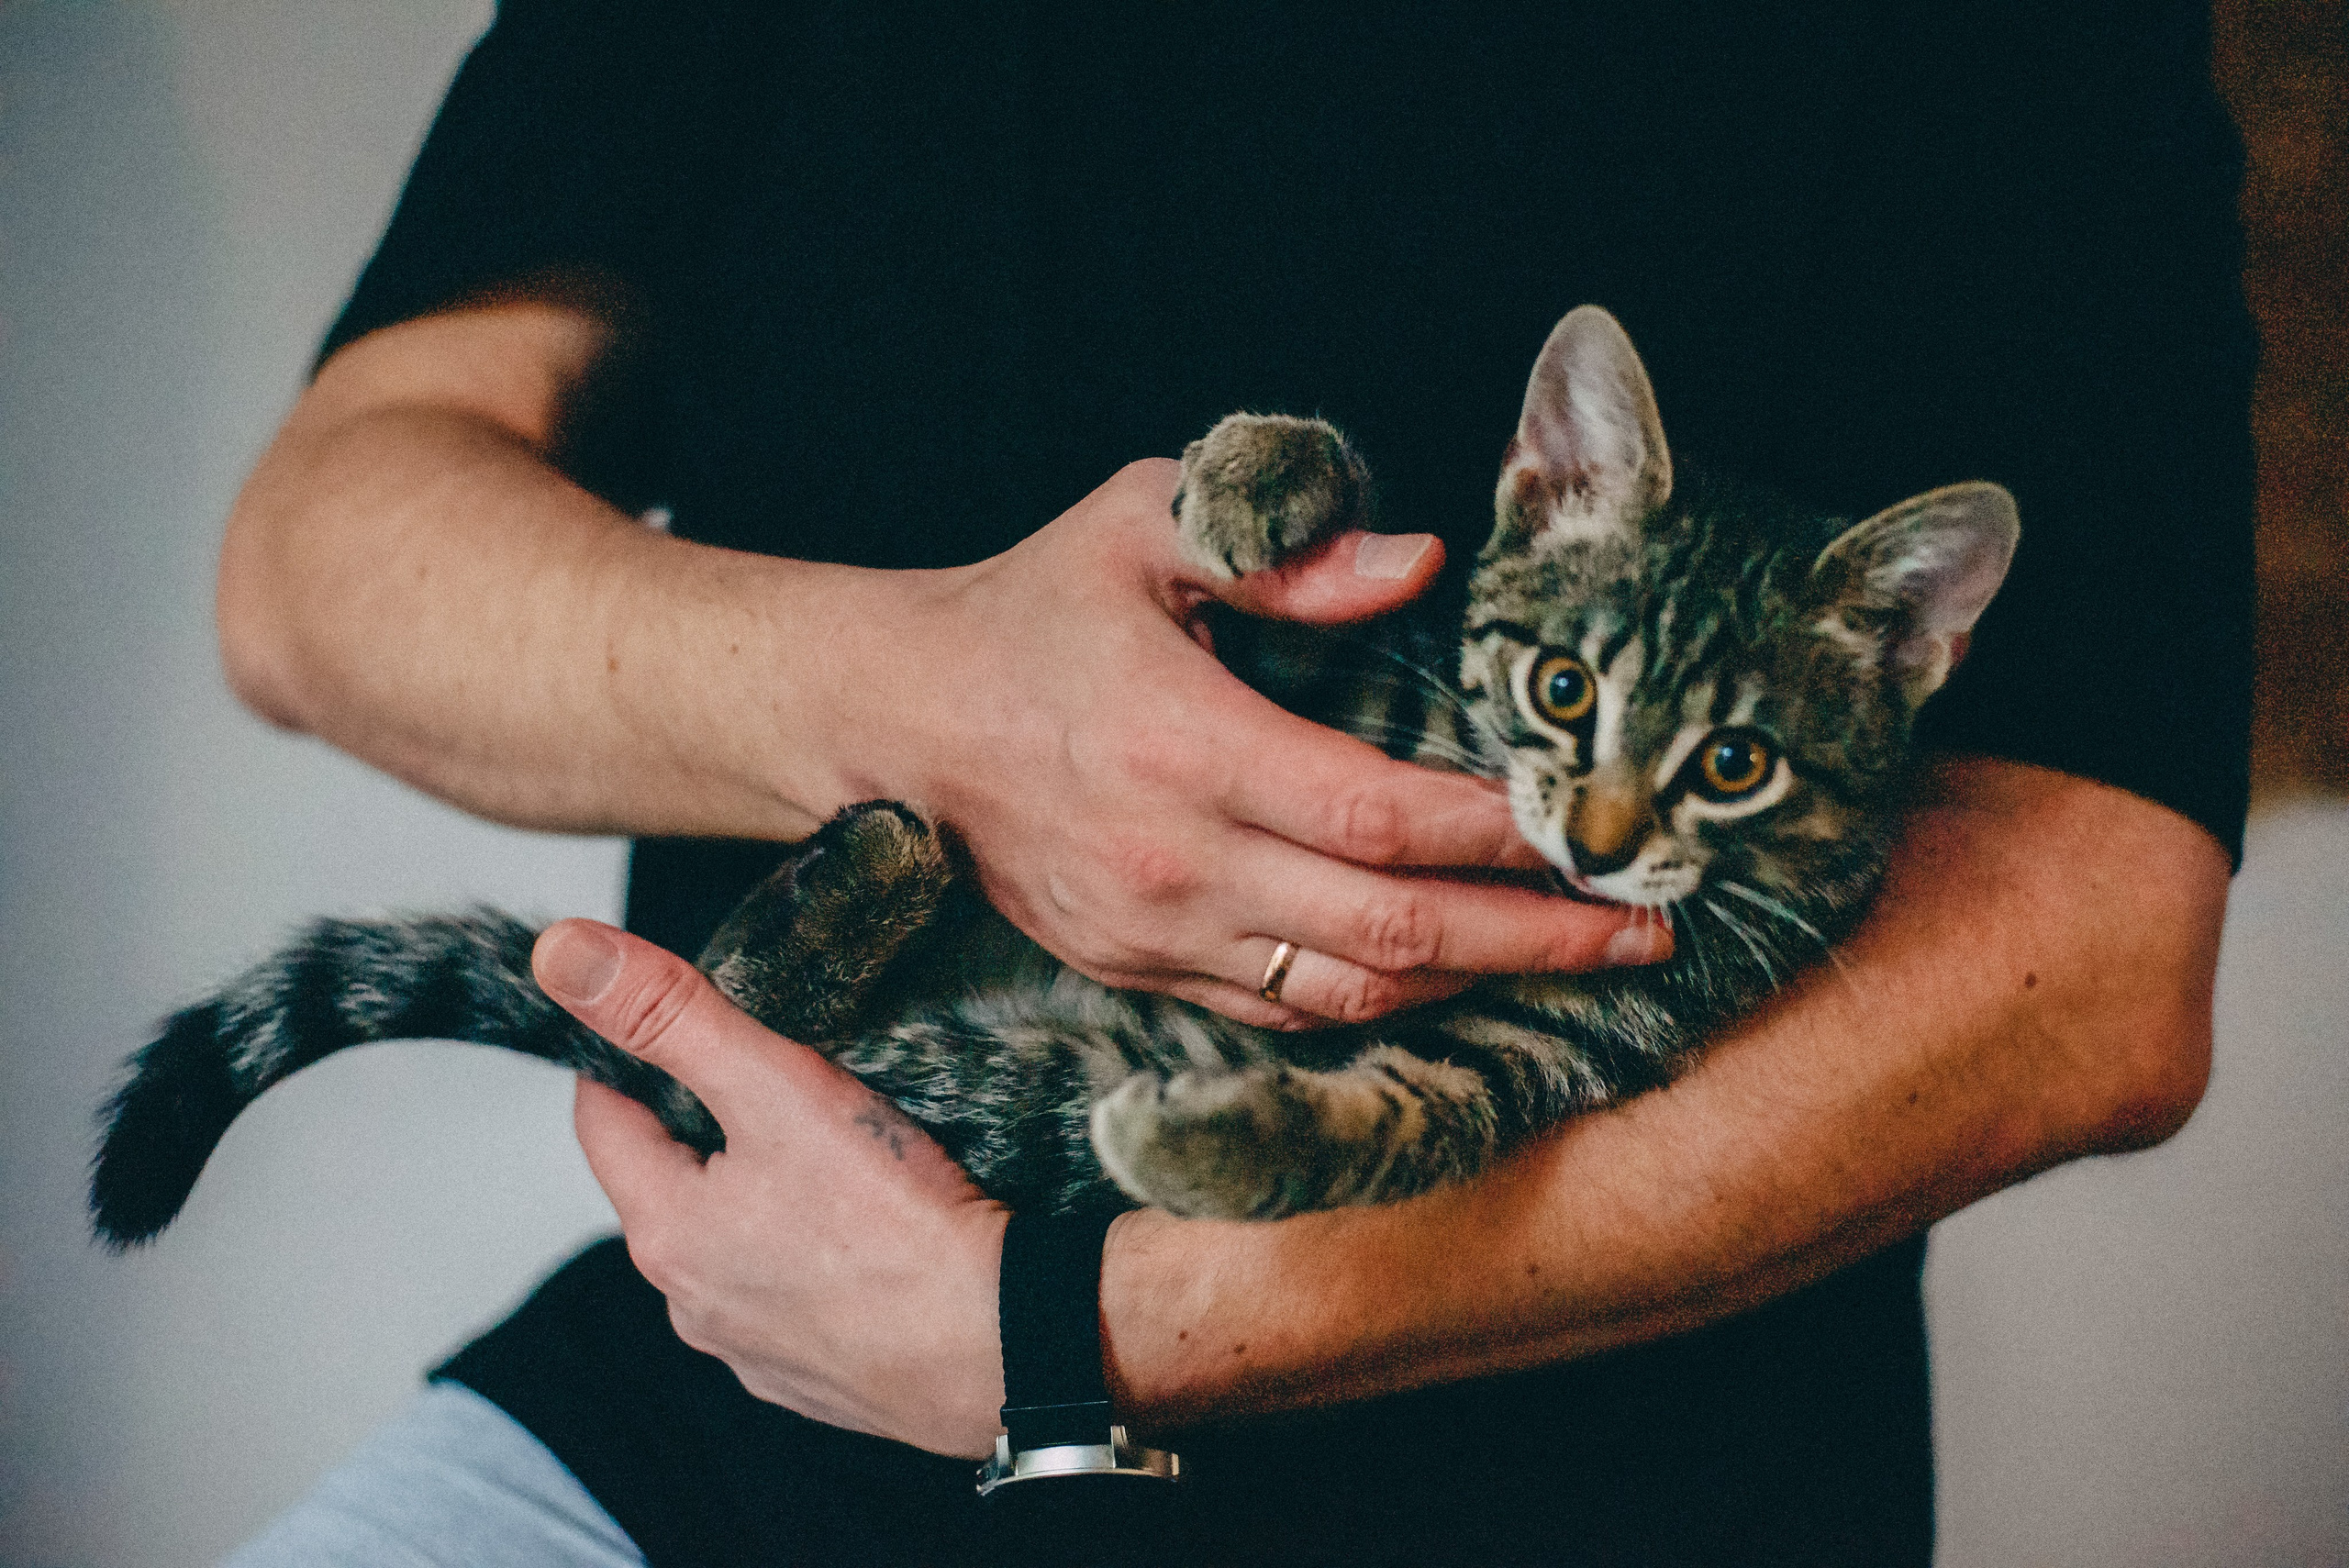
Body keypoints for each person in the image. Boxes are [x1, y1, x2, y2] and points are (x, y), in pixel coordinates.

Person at [217, 3, 2253, 1562]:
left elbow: (2100, 955)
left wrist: (1075, 1324)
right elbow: (309, 566)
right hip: (727, 1408)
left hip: (1596, 1494)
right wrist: (914, 699)